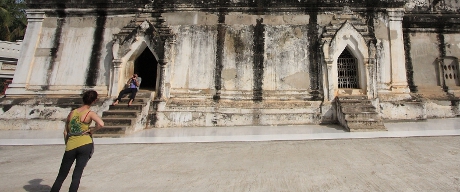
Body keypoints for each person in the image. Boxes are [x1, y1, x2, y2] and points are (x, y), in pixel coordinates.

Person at [51, 90, 105, 192]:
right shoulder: (90, 113)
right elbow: (101, 124)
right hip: (85, 144)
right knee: (77, 173)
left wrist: (68, 143)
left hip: (71, 144)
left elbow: (65, 132)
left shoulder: (72, 113)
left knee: (62, 175)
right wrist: (92, 130)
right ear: (94, 101)